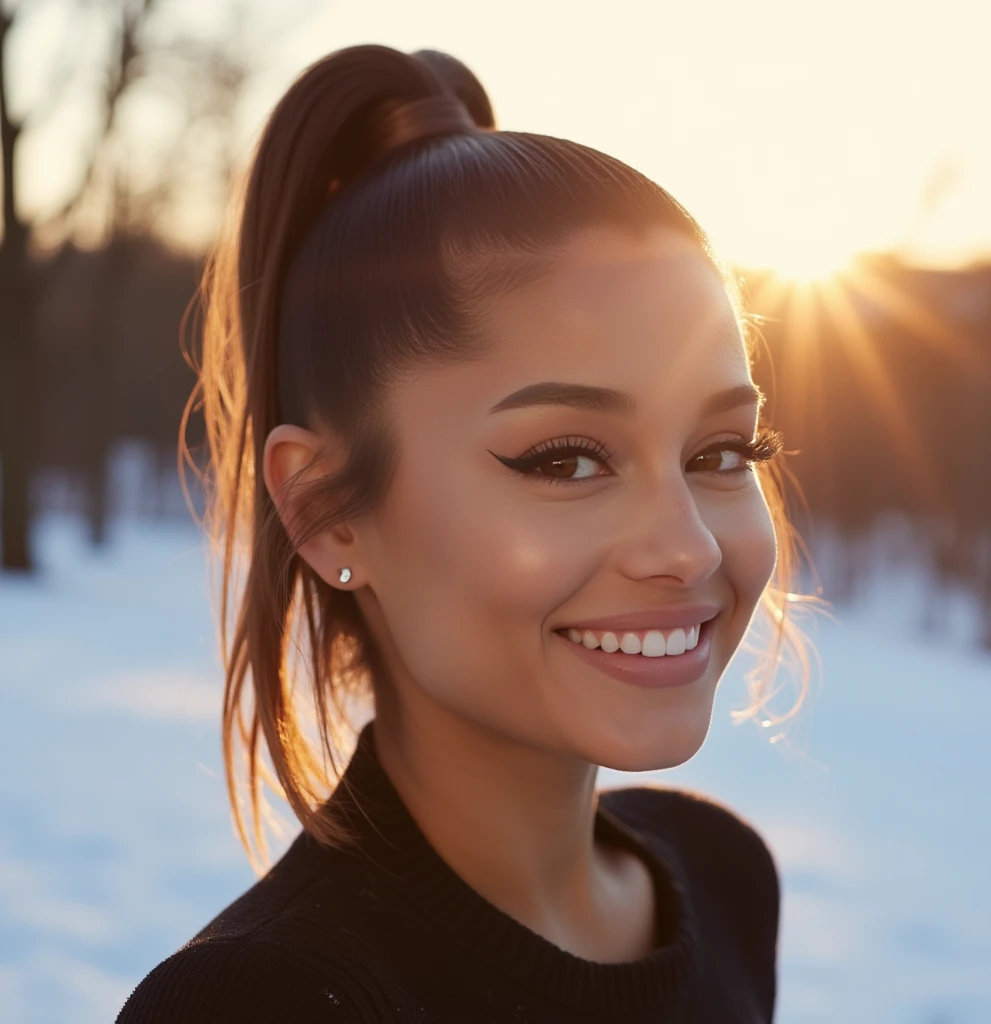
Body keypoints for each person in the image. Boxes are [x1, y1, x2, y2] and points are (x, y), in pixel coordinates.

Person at [117, 42, 813, 1023]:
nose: (689, 547)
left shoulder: (726, 878)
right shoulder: (259, 1002)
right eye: (567, 458)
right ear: (323, 507)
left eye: (721, 452)